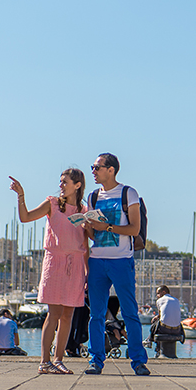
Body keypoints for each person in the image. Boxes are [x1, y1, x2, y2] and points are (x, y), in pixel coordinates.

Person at [10, 169, 88, 375]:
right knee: (54, 313)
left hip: (76, 264)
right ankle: (45, 362)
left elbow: (86, 244)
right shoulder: (52, 204)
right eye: (60, 181)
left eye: (65, 182)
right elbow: (25, 217)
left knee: (68, 315)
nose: (61, 185)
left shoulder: (84, 210)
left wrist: (87, 272)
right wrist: (21, 196)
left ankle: (58, 360)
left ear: (77, 185)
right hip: (55, 263)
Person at [81, 153, 149, 376]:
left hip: (121, 260)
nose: (93, 171)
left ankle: (138, 361)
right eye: (92, 167)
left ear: (111, 170)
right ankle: (95, 360)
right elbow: (94, 236)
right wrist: (87, 227)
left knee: (130, 312)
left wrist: (107, 227)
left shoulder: (128, 193)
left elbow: (134, 229)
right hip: (97, 260)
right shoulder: (92, 197)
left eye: (97, 167)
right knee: (96, 315)